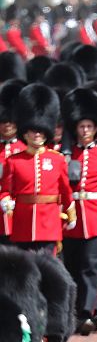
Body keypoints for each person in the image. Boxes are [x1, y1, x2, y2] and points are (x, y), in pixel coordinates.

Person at [61, 86, 97, 334]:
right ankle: (73, 311)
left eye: (89, 126)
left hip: (95, 216)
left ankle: (87, 312)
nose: (85, 131)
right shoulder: (64, 154)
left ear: (96, 128)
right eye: (81, 126)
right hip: (71, 217)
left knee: (91, 266)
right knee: (72, 267)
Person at [0, 84, 74, 255]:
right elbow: (6, 190)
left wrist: (71, 214)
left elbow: (65, 191)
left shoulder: (57, 160)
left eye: (41, 132)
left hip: (49, 223)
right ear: (25, 133)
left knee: (48, 269)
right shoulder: (14, 161)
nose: (37, 135)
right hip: (22, 224)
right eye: (33, 131)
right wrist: (5, 201)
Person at [0, 81, 25, 244]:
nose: (7, 124)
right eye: (3, 121)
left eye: (11, 120)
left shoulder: (25, 148)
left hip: (20, 213)